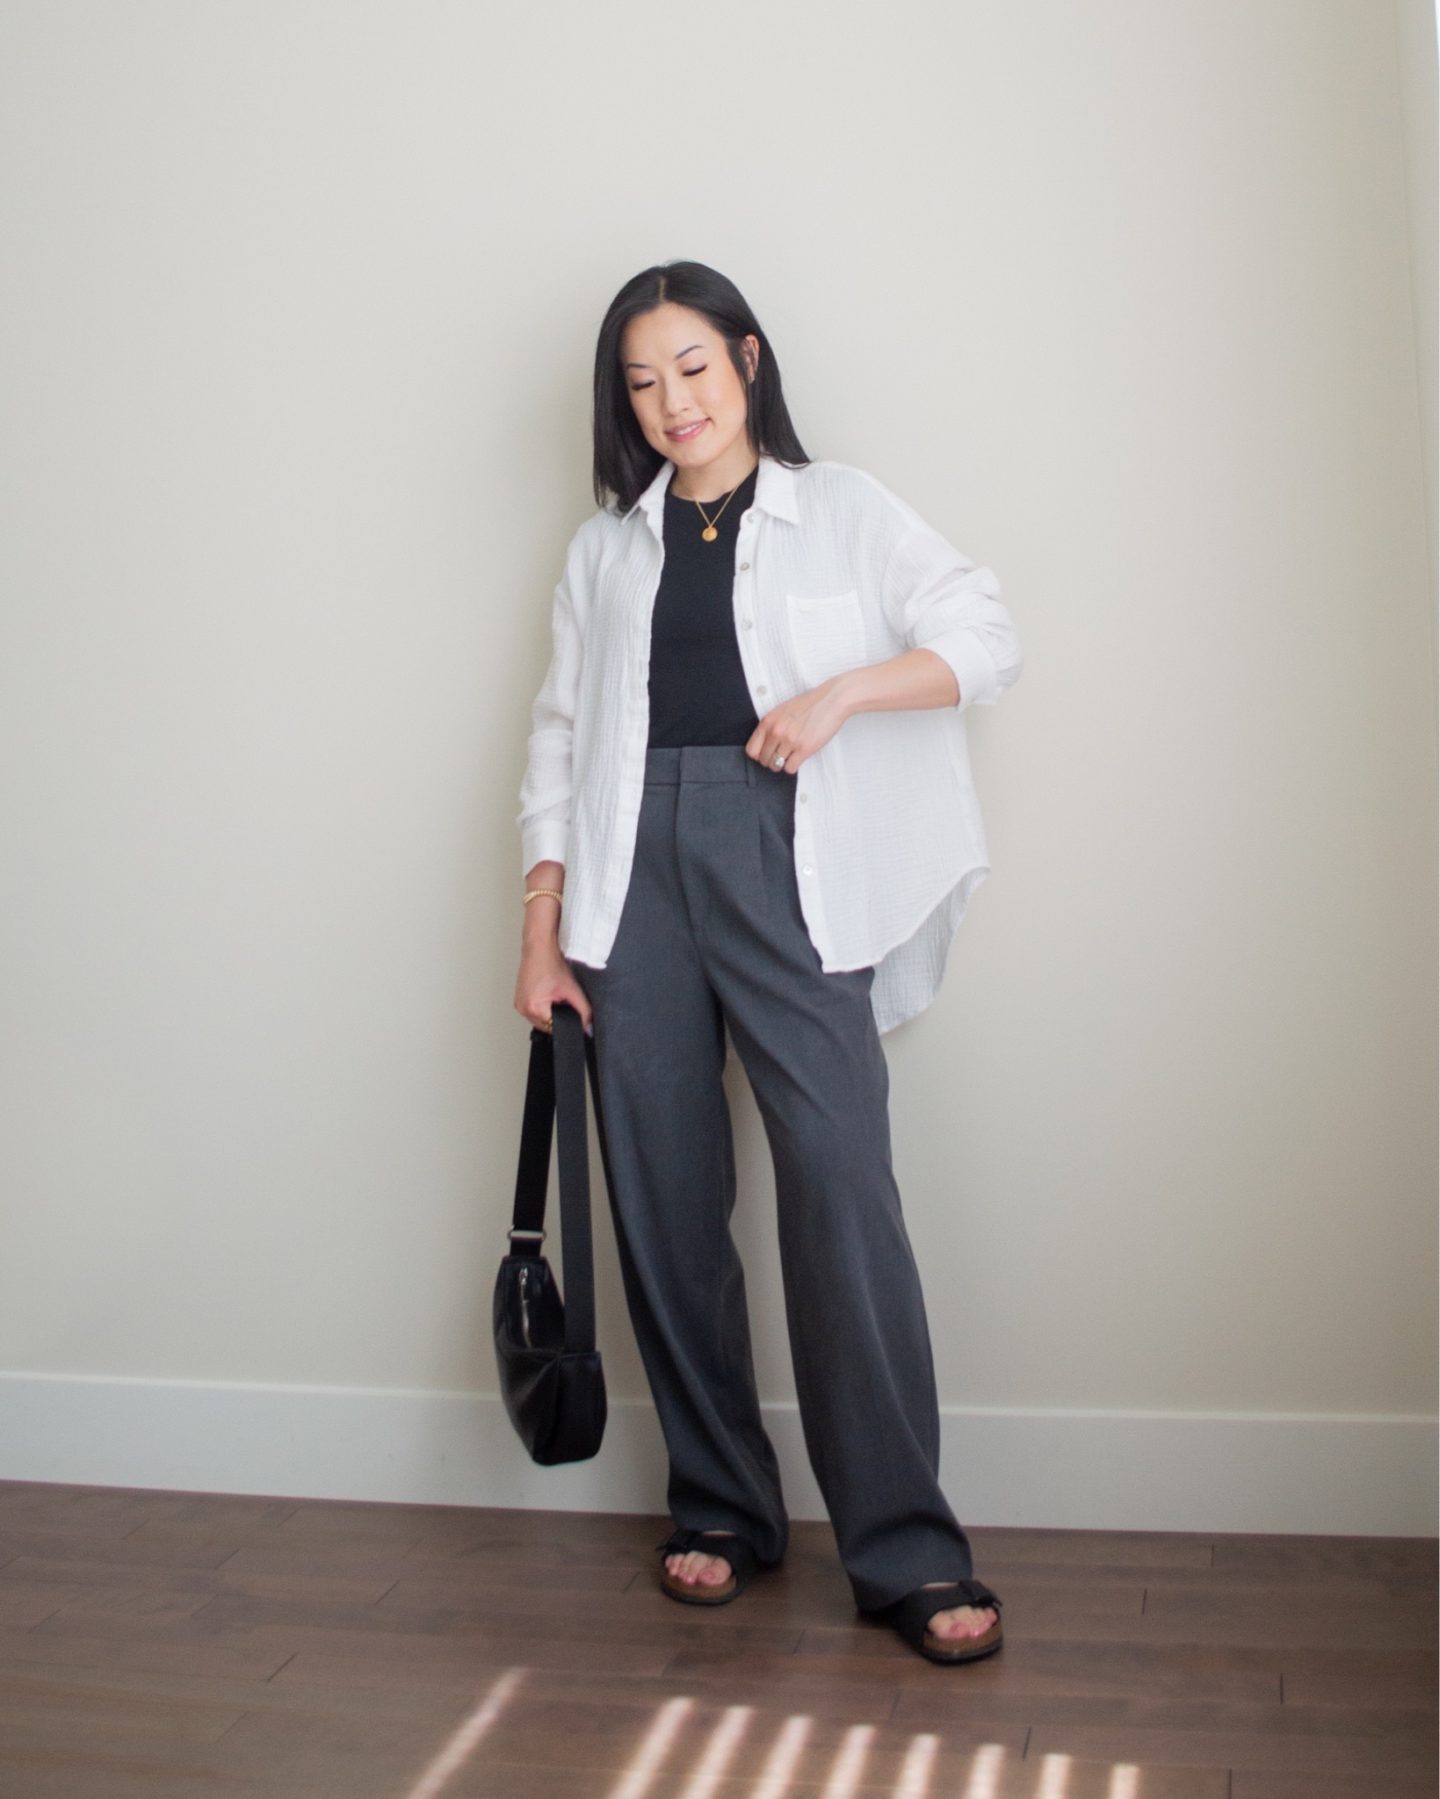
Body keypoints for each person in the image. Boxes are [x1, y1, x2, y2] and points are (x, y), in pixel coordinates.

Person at [513, 260, 1022, 1666]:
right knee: (665, 1202)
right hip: (631, 876)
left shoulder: (843, 509)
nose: (670, 401)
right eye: (640, 382)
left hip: (788, 847)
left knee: (840, 1190)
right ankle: (723, 1507)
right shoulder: (605, 549)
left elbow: (986, 634)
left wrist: (844, 693)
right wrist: (541, 919)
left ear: (745, 360)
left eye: (690, 367)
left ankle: (906, 1553)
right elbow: (560, 736)